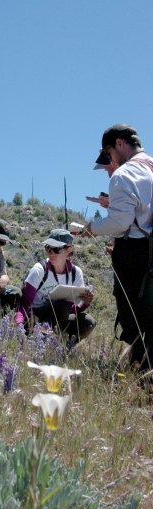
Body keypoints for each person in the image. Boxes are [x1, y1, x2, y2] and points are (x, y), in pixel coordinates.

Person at [81, 124, 153, 371]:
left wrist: (93, 227)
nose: (110, 161)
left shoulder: (125, 174)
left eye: (109, 154)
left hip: (134, 253)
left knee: (133, 319)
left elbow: (120, 223)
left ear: (120, 144)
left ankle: (141, 375)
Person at [15, 229, 96, 341]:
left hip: (60, 317)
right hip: (36, 318)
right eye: (48, 248)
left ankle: (64, 347)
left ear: (68, 250)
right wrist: (18, 326)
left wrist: (85, 303)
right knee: (63, 306)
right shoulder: (39, 270)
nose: (51, 253)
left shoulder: (75, 273)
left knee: (88, 322)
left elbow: (73, 309)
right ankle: (39, 340)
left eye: (56, 249)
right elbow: (24, 304)